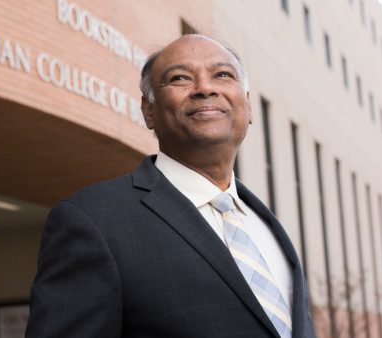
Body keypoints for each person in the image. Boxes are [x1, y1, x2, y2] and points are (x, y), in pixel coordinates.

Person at [25, 34, 317, 338]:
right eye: (180, 78)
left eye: (223, 75)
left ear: (248, 105)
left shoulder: (265, 226)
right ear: (148, 111)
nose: (205, 88)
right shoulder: (93, 221)